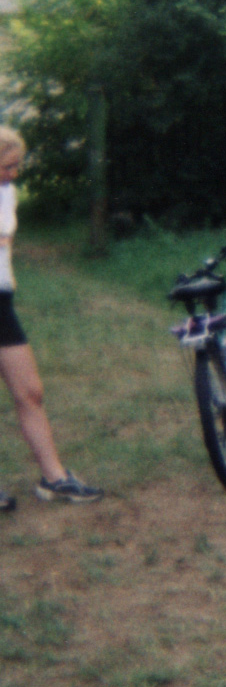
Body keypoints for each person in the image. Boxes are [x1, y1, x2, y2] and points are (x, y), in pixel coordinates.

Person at [0, 128, 102, 508]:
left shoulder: (7, 193)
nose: (14, 174)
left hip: (1, 302)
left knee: (30, 391)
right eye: (7, 166)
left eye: (17, 166)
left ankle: (54, 479)